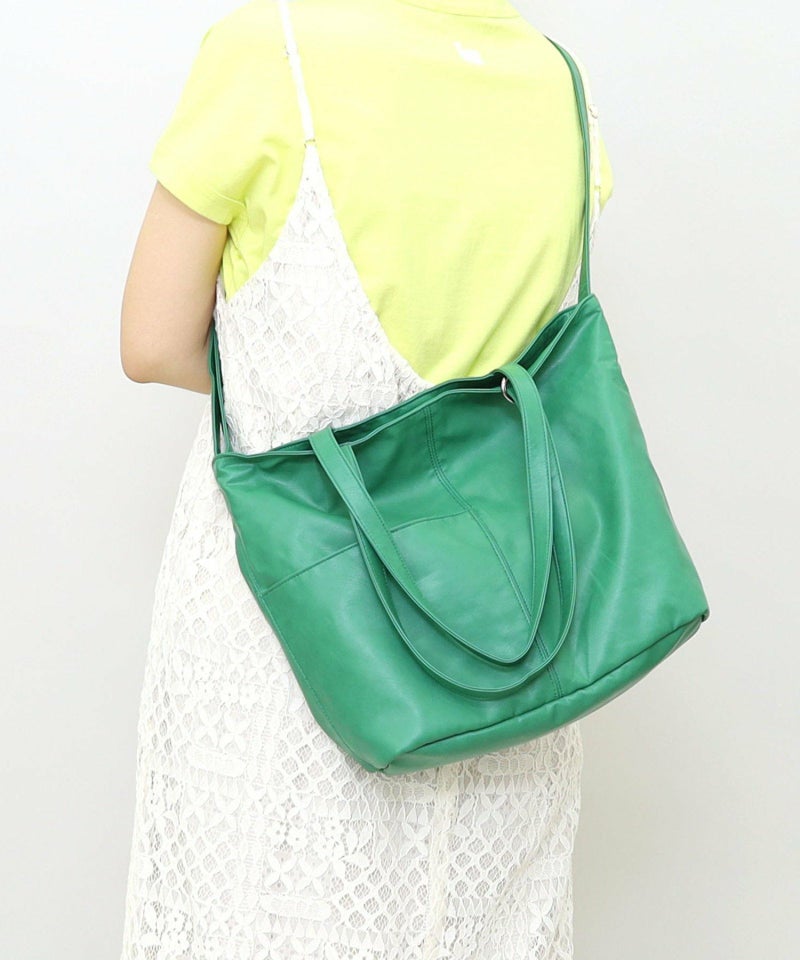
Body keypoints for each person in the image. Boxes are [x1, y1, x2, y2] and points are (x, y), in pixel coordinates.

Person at [118, 0, 614, 956]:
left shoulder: (270, 50)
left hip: (291, 636)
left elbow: (153, 341)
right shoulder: (558, 80)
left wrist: (304, 393)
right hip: (508, 634)